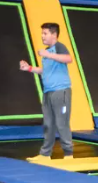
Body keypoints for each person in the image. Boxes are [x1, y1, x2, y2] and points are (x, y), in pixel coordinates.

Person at [18, 23, 73, 161]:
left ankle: (68, 154)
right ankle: (45, 154)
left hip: (61, 91)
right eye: (42, 33)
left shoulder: (58, 47)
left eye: (45, 33)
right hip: (48, 92)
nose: (42, 36)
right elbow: (45, 71)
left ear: (54, 35)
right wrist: (29, 68)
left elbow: (68, 59)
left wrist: (48, 54)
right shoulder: (47, 52)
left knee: (62, 123)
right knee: (48, 124)